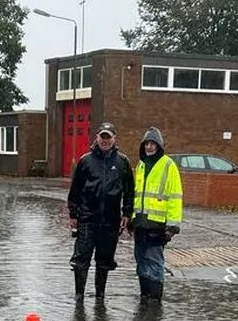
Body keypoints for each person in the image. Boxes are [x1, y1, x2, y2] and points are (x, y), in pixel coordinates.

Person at [67, 122, 134, 300]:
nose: (105, 141)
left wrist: (127, 213)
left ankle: (100, 296)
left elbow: (129, 191)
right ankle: (79, 296)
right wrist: (73, 214)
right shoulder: (85, 161)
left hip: (110, 221)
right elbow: (75, 189)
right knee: (82, 259)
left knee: (104, 260)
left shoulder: (122, 162)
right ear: (96, 138)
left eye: (108, 137)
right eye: (102, 137)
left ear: (114, 139)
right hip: (87, 219)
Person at [130, 126, 183, 301]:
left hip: (157, 224)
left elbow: (175, 196)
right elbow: (137, 194)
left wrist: (172, 225)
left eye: (153, 144)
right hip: (141, 223)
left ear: (159, 145)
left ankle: (154, 297)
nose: (149, 147)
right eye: (147, 144)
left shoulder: (168, 165)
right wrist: (132, 219)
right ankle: (145, 294)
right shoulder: (141, 165)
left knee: (154, 261)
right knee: (141, 260)